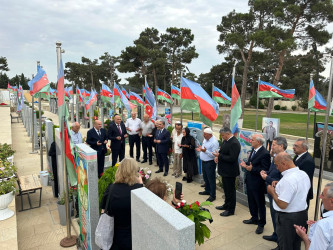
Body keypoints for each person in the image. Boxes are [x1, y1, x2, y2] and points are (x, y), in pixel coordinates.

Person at [267, 152, 310, 250]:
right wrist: (280, 185)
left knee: (286, 246)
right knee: (296, 244)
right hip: (301, 215)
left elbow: (282, 204)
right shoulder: (303, 174)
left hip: (288, 219)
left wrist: (272, 191)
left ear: (284, 163)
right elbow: (297, 190)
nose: (277, 168)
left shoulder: (288, 180)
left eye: (277, 165)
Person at [100, 158, 143, 250]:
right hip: (132, 238)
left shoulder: (111, 188)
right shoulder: (138, 190)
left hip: (113, 237)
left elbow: (103, 210)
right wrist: (141, 184)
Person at [240, 134, 270, 234]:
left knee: (260, 204)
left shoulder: (265, 153)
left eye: (252, 140)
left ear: (258, 142)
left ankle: (261, 223)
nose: (250, 141)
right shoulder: (254, 149)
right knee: (251, 201)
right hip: (250, 181)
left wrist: (252, 169)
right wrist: (246, 165)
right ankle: (254, 218)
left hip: (258, 183)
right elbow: (252, 164)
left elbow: (265, 169)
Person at [260, 136, 287, 246]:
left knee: (278, 217)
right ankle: (276, 234)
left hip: (278, 193)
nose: (271, 146)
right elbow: (273, 171)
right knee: (273, 214)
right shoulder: (276, 156)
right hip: (272, 191)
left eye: (274, 145)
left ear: (281, 146)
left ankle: (280, 242)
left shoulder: (284, 159)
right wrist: (266, 172)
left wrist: (267, 178)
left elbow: (282, 180)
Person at [294, 182, 333, 250]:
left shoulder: (323, 225)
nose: (320, 197)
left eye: (323, 195)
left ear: (332, 201)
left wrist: (305, 238)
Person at [214, 127, 241, 217]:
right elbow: (224, 152)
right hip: (224, 170)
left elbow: (232, 158)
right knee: (226, 190)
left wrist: (219, 155)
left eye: (223, 135)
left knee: (230, 191)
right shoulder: (226, 141)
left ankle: (230, 209)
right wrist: (218, 156)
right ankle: (226, 204)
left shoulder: (234, 143)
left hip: (230, 171)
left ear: (227, 133)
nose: (222, 137)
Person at [197, 127, 219, 202]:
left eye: (205, 134)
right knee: (206, 178)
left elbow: (214, 155)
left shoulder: (214, 142)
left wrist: (205, 151)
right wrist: (201, 149)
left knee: (211, 179)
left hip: (210, 163)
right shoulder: (205, 139)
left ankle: (212, 195)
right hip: (204, 161)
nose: (203, 135)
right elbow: (204, 148)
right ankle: (207, 190)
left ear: (209, 134)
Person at [293, 138, 315, 207]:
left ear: (304, 148)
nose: (293, 147)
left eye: (296, 146)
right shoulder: (297, 155)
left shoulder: (308, 161)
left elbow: (304, 180)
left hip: (302, 195)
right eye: (294, 145)